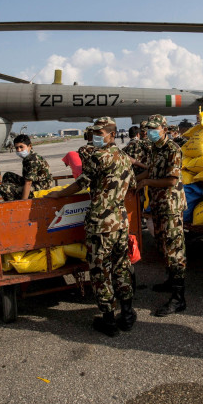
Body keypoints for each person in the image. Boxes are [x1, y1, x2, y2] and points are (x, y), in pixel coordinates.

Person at [46, 117, 137, 336]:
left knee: (100, 271)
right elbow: (132, 184)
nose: (96, 137)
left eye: (100, 133)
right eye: (94, 133)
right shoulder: (125, 157)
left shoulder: (98, 156)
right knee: (121, 266)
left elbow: (81, 183)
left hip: (100, 224)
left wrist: (59, 193)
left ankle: (108, 320)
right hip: (120, 222)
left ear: (111, 135)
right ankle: (126, 314)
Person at [136, 114, 188, 316]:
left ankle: (178, 299)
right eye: (148, 129)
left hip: (171, 206)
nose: (150, 132)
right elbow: (149, 172)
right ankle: (170, 281)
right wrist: (131, 181)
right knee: (163, 245)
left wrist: (146, 183)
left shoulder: (172, 149)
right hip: (158, 204)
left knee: (174, 249)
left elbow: (171, 180)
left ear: (165, 129)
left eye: (154, 129)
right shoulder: (154, 149)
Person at [0, 134, 53, 201]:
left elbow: (28, 182)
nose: (19, 150)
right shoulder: (28, 157)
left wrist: (23, 202)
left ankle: (15, 206)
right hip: (34, 182)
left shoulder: (33, 160)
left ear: (29, 146)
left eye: (21, 147)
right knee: (8, 175)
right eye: (16, 148)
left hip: (41, 186)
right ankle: (14, 198)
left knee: (5, 188)